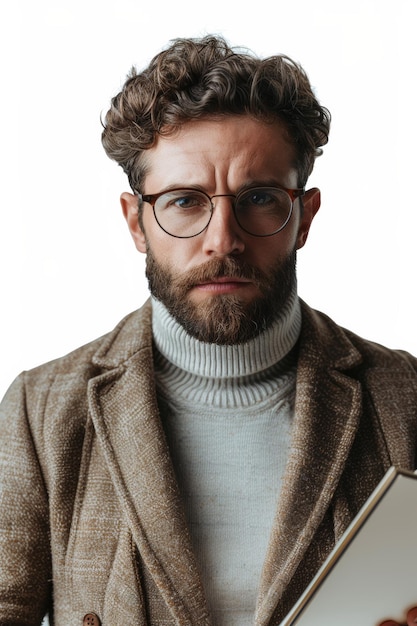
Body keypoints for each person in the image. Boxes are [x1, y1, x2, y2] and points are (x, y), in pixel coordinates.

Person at [0, 35, 416, 626]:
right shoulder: (41, 413)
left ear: (305, 216)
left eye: (261, 198)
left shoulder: (404, 397)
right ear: (136, 222)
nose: (223, 238)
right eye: (185, 201)